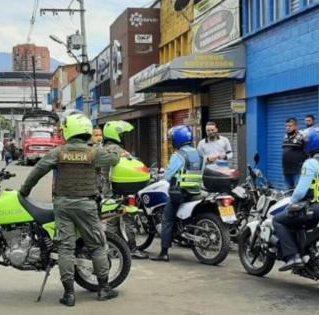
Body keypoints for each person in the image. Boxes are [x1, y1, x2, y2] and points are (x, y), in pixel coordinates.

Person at [19, 113, 120, 307]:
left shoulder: (59, 152)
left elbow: (38, 170)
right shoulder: (94, 153)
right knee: (97, 245)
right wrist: (112, 148)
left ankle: (69, 295)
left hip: (63, 205)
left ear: (69, 132)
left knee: (66, 248)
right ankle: (104, 289)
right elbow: (114, 160)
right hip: (86, 205)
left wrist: (25, 190)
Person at [273, 127, 319, 271]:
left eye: (306, 142)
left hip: (317, 208)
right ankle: (305, 253)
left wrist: (291, 203)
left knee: (278, 220)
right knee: (297, 221)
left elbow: (300, 192)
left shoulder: (311, 163)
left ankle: (293, 256)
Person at [151, 125, 203, 262]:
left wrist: (163, 175)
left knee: (167, 219)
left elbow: (168, 176)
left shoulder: (178, 155)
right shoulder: (199, 153)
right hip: (196, 191)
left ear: (177, 140)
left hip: (180, 192)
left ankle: (164, 252)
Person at [101, 121, 148, 259]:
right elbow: (133, 161)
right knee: (128, 218)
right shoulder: (117, 150)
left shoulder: (103, 148)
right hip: (120, 188)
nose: (123, 136)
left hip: (107, 189)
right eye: (121, 134)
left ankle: (113, 249)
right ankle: (131, 248)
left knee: (111, 220)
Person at [282, 118, 307, 190]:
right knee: (287, 193)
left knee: (298, 191)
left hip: (297, 171)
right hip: (286, 170)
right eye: (286, 126)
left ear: (296, 127)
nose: (287, 128)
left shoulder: (302, 137)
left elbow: (308, 152)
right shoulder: (285, 137)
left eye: (290, 126)